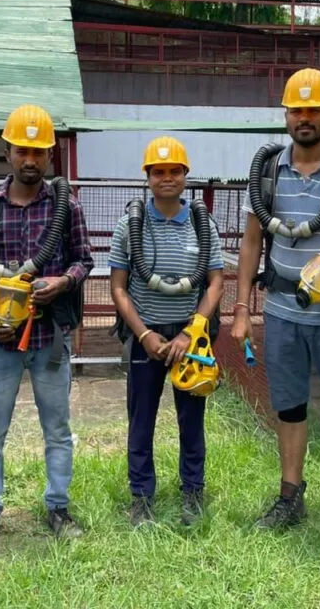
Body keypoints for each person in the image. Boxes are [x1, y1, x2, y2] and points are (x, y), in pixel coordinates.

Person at [232, 67, 320, 559]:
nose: (306, 117)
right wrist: (241, 306)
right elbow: (253, 240)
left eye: (315, 109)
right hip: (280, 311)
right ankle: (290, 495)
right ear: (286, 115)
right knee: (289, 407)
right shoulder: (269, 170)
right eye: (297, 109)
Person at [0, 104, 94, 557]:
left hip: (48, 339)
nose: (30, 159)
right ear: (8, 153)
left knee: (57, 428)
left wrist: (63, 282)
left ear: (50, 156)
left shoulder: (65, 207)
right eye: (22, 150)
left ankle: (58, 508)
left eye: (38, 152)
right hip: (1, 341)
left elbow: (84, 259)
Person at [109, 137, 225, 527]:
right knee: (141, 420)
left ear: (185, 176)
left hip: (190, 339)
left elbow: (214, 284)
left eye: (174, 171)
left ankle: (192, 492)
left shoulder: (201, 223)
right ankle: (142, 498)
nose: (167, 178)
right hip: (147, 339)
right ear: (147, 177)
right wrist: (143, 334)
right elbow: (119, 288)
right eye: (158, 171)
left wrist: (191, 333)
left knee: (191, 420)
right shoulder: (131, 225)